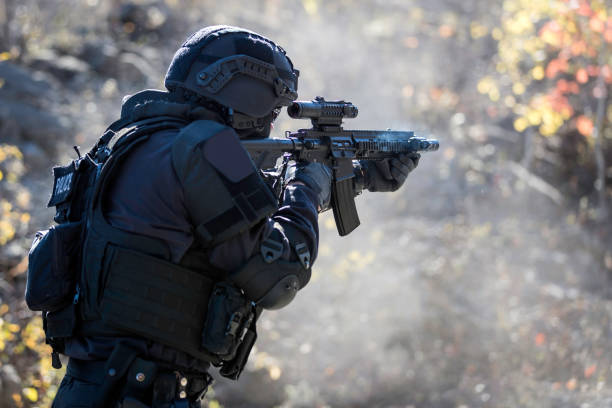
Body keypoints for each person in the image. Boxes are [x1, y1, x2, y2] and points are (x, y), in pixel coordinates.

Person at [48, 25, 419, 408]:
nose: (272, 123)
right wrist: (307, 186)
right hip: (139, 392)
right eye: (272, 110)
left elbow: (233, 216)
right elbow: (278, 276)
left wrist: (356, 178)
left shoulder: (135, 140)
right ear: (246, 96)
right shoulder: (209, 147)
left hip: (93, 387)